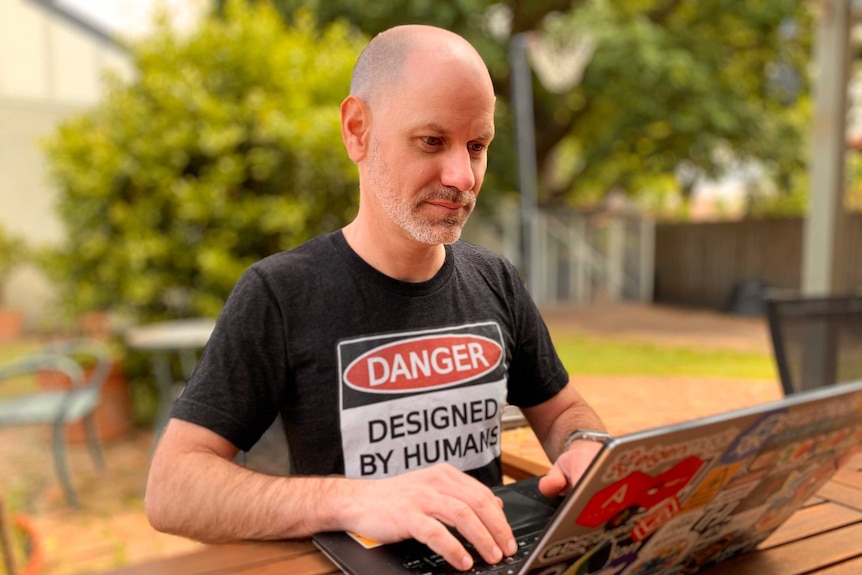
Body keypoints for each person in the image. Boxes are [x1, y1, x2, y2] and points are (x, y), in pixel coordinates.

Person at [145, 24, 607, 572]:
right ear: (358, 130)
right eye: (432, 141)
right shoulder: (281, 292)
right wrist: (359, 499)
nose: (463, 176)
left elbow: (563, 412)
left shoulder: (495, 280)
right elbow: (173, 489)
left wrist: (585, 446)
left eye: (477, 146)